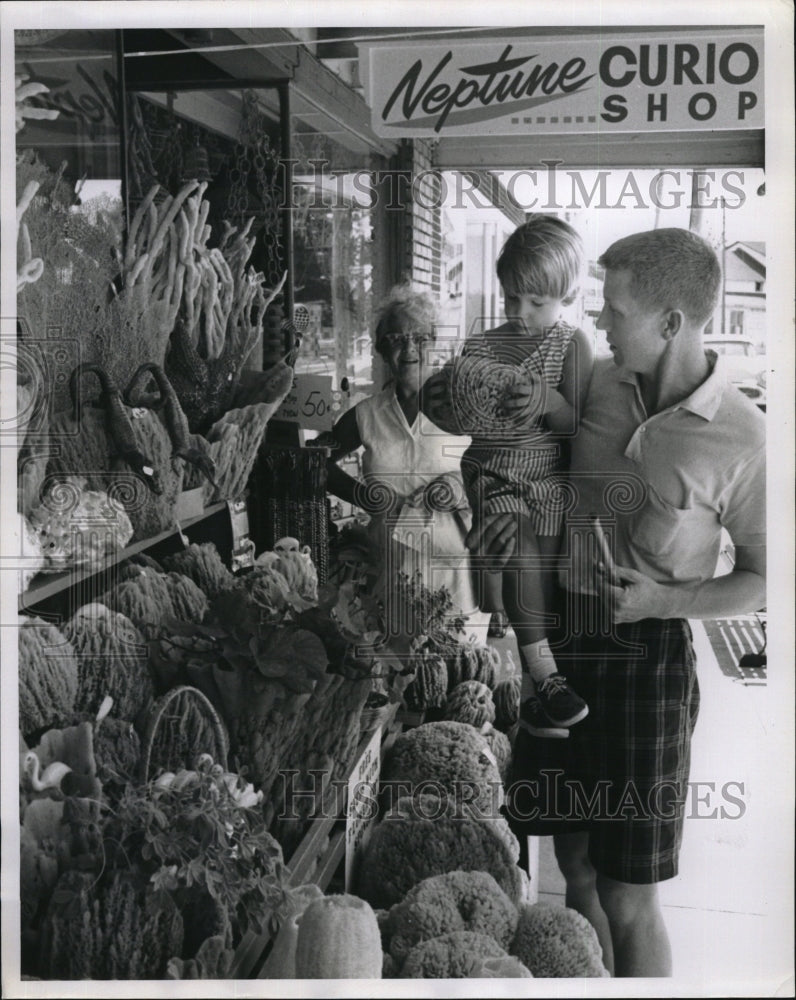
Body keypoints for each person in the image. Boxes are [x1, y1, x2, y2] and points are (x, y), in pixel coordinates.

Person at [469, 227, 766, 978]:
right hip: (559, 647)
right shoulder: (595, 381)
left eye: (616, 309)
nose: (598, 319)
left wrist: (665, 597)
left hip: (648, 661)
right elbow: (529, 460)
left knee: (630, 892)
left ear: (671, 322)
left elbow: (764, 577)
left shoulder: (744, 437)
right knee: (574, 867)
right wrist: (505, 519)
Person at [425, 214, 595, 733]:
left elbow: (576, 424)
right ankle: (547, 677)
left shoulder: (572, 345)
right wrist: (438, 402)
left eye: (536, 302)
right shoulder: (480, 346)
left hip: (547, 478)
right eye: (511, 298)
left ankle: (531, 696)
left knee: (536, 588)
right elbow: (457, 417)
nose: (520, 313)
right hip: (494, 473)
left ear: (567, 295)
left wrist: (549, 400)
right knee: (514, 543)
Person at [326, 284, 487, 636]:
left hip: (455, 576)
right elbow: (318, 464)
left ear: (435, 342)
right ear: (383, 350)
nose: (410, 349)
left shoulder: (465, 405)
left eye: (420, 338)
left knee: (457, 664)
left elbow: (497, 470)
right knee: (392, 661)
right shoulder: (367, 415)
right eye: (397, 339)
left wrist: (459, 486)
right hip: (389, 573)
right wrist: (364, 496)